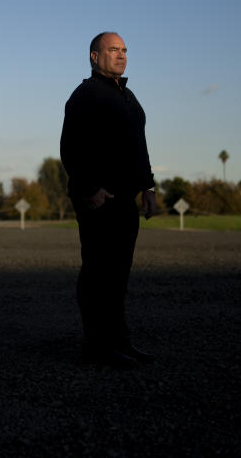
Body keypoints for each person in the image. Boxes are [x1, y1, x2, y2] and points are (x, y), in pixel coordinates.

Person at [60, 32, 159, 367]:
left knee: (118, 273)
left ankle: (120, 342)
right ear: (94, 56)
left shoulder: (128, 97)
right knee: (98, 272)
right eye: (113, 49)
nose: (121, 55)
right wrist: (90, 189)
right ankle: (97, 346)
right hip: (98, 199)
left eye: (125, 50)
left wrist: (148, 188)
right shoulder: (85, 95)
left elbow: (139, 146)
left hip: (125, 199)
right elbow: (70, 148)